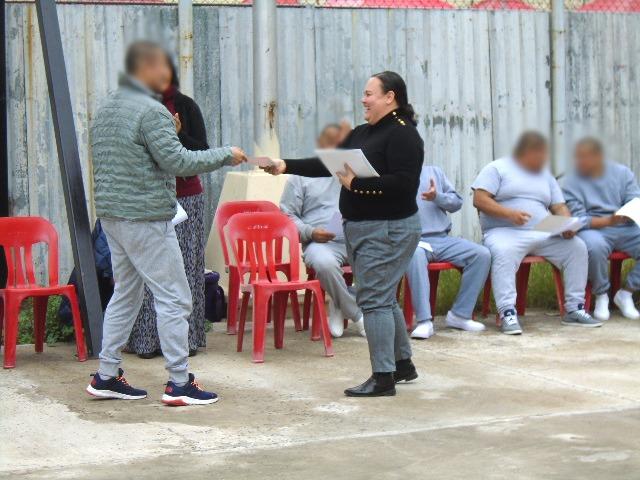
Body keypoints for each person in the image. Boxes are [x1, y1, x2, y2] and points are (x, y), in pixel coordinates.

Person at [86, 41, 247, 406]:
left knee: (126, 294)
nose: (167, 75)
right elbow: (177, 162)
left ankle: (106, 375)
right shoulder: (151, 111)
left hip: (113, 216)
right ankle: (179, 382)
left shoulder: (108, 107)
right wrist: (226, 155)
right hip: (146, 219)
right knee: (175, 298)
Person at [265, 71, 423, 397]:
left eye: (369, 94)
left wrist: (359, 185)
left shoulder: (403, 135)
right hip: (365, 229)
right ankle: (402, 363)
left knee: (375, 301)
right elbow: (329, 164)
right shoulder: (364, 132)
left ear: (389, 97)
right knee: (382, 296)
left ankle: (383, 377)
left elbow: (405, 184)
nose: (363, 100)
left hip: (389, 229)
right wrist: (285, 164)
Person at [472, 131, 601, 335]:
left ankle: (574, 309)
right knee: (503, 252)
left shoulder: (544, 175)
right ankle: (507, 312)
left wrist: (566, 224)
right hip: (505, 231)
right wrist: (509, 214)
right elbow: (479, 199)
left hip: (543, 231)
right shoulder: (497, 168)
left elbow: (559, 206)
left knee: (577, 247)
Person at [126, 52, 210, 359]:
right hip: (149, 198)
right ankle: (148, 340)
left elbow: (202, 151)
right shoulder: (138, 108)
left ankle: (186, 342)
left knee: (186, 269)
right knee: (150, 270)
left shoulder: (186, 106)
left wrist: (176, 136)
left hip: (185, 197)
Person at [280, 124, 365, 338]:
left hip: (355, 236)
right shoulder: (301, 176)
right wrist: (310, 232)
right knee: (324, 264)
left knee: (388, 257)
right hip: (320, 242)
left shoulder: (356, 171)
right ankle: (356, 315)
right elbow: (286, 216)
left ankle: (339, 300)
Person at [406, 165, 490, 339]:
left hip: (442, 239)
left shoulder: (434, 172)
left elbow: (456, 203)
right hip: (412, 241)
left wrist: (437, 197)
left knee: (481, 254)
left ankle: (460, 315)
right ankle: (424, 321)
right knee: (415, 256)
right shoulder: (390, 174)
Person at [562, 137, 640, 321]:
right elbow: (578, 218)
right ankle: (602, 294)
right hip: (594, 229)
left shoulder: (622, 173)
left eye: (586, 157)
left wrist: (629, 212)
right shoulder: (570, 182)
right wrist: (607, 221)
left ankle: (627, 292)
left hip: (626, 225)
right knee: (593, 247)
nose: (582, 161)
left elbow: (634, 198)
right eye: (578, 157)